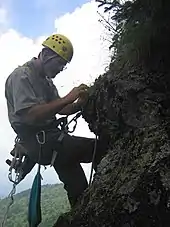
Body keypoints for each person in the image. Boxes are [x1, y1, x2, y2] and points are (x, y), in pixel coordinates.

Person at [5, 34, 106, 207]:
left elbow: (61, 109)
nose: (61, 69)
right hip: (44, 142)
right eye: (59, 63)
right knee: (101, 149)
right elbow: (30, 115)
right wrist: (68, 98)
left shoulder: (46, 81)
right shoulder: (21, 76)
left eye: (63, 66)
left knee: (79, 190)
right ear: (45, 55)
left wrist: (78, 103)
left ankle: (81, 216)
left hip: (51, 142)